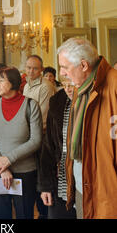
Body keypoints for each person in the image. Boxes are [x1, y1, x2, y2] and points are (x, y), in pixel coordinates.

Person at [58, 37, 117, 219]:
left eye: (65, 67)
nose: (62, 73)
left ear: (83, 65)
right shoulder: (81, 88)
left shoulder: (115, 85)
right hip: (82, 185)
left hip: (107, 191)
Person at [0, 67, 43, 219]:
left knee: (24, 214)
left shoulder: (31, 105)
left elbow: (36, 140)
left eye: (1, 80)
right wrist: (2, 167)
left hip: (25, 171)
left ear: (14, 81)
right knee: (0, 216)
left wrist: (8, 159)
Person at [23, 55, 56, 218]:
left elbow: (42, 118)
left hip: (42, 140)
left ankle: (44, 213)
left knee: (41, 181)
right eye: (28, 67)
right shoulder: (27, 86)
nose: (30, 71)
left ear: (41, 70)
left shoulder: (46, 87)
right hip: (29, 138)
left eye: (35, 68)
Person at [38, 80, 76, 219]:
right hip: (61, 183)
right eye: (64, 84)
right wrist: (46, 186)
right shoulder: (58, 101)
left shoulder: (95, 100)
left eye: (71, 85)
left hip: (86, 184)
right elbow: (48, 146)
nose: (68, 89)